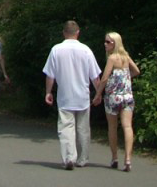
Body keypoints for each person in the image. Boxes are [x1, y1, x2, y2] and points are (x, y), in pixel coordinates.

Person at [43, 20, 102, 170]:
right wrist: (98, 93)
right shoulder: (86, 50)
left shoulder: (56, 50)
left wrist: (48, 92)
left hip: (65, 96)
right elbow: (95, 76)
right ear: (78, 33)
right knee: (83, 129)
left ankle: (69, 157)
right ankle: (82, 158)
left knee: (66, 128)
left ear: (64, 33)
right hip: (82, 96)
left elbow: (50, 75)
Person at [92, 31, 140, 171]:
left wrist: (98, 94)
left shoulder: (112, 58)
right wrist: (125, 78)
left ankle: (114, 158)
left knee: (112, 127)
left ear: (115, 43)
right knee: (127, 126)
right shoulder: (126, 56)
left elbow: (104, 78)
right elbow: (136, 71)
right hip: (127, 96)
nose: (105, 44)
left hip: (113, 97)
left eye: (108, 42)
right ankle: (128, 159)